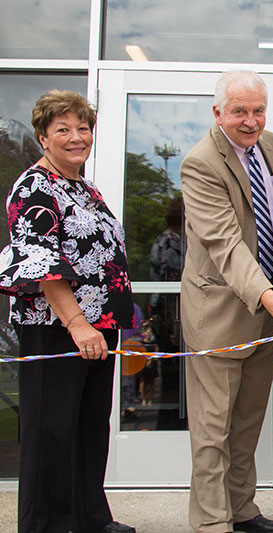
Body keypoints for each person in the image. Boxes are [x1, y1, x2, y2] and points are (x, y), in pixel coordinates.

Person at [0, 90, 136, 533]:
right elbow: (43, 264)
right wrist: (78, 324)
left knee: (89, 428)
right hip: (60, 328)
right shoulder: (34, 187)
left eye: (83, 128)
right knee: (51, 433)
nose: (77, 137)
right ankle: (46, 525)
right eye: (63, 129)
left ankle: (90, 518)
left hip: (99, 328)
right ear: (43, 137)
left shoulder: (84, 188)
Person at [180, 70, 273, 533]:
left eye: (257, 110)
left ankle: (241, 510)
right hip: (221, 312)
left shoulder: (269, 146)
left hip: (270, 307)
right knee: (213, 429)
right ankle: (212, 523)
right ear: (217, 113)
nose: (250, 122)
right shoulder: (199, 164)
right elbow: (224, 243)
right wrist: (269, 296)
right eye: (239, 112)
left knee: (248, 420)